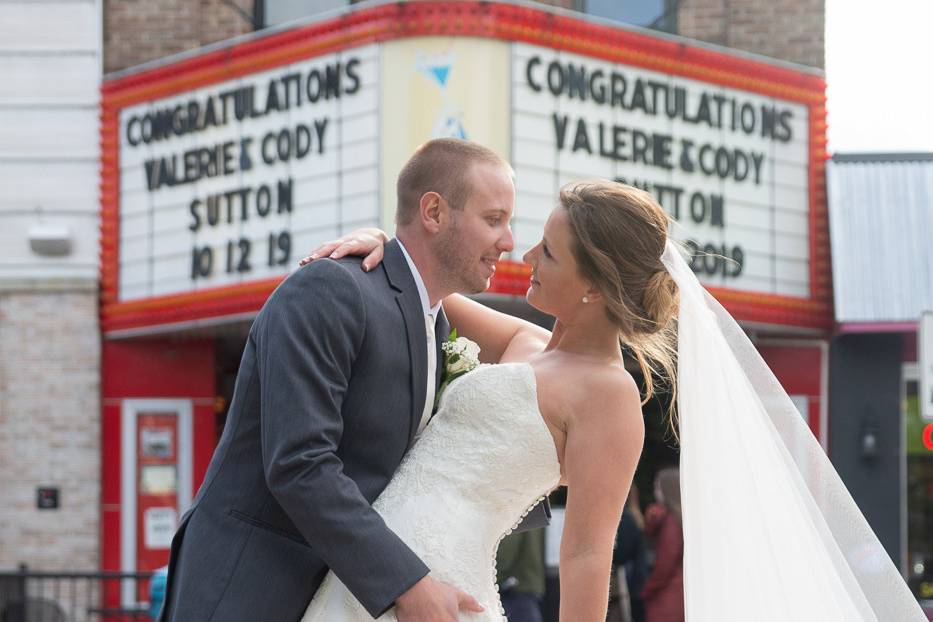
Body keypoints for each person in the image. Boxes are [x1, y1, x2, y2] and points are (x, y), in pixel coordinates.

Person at [306, 177, 927, 621]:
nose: (525, 258)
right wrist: (383, 243)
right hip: (374, 560)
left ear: (595, 288)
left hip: (442, 589)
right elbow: (421, 288)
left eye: (547, 253)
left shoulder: (610, 397)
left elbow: (584, 554)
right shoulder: (524, 340)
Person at [158, 138, 547, 622]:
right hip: (250, 591)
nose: (508, 242)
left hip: (337, 599)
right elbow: (299, 463)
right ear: (433, 212)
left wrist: (398, 249)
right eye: (494, 220)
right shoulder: (330, 288)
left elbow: (547, 349)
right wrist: (410, 587)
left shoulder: (435, 321)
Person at [641, 469, 683, 622]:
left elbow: (666, 562)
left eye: (658, 486)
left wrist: (649, 588)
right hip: (675, 593)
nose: (655, 491)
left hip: (668, 596)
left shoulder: (671, 522)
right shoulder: (676, 518)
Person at [497, 529, 546, 622]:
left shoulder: (515, 516)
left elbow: (507, 551)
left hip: (514, 589)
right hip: (530, 586)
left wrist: (495, 576)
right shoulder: (536, 515)